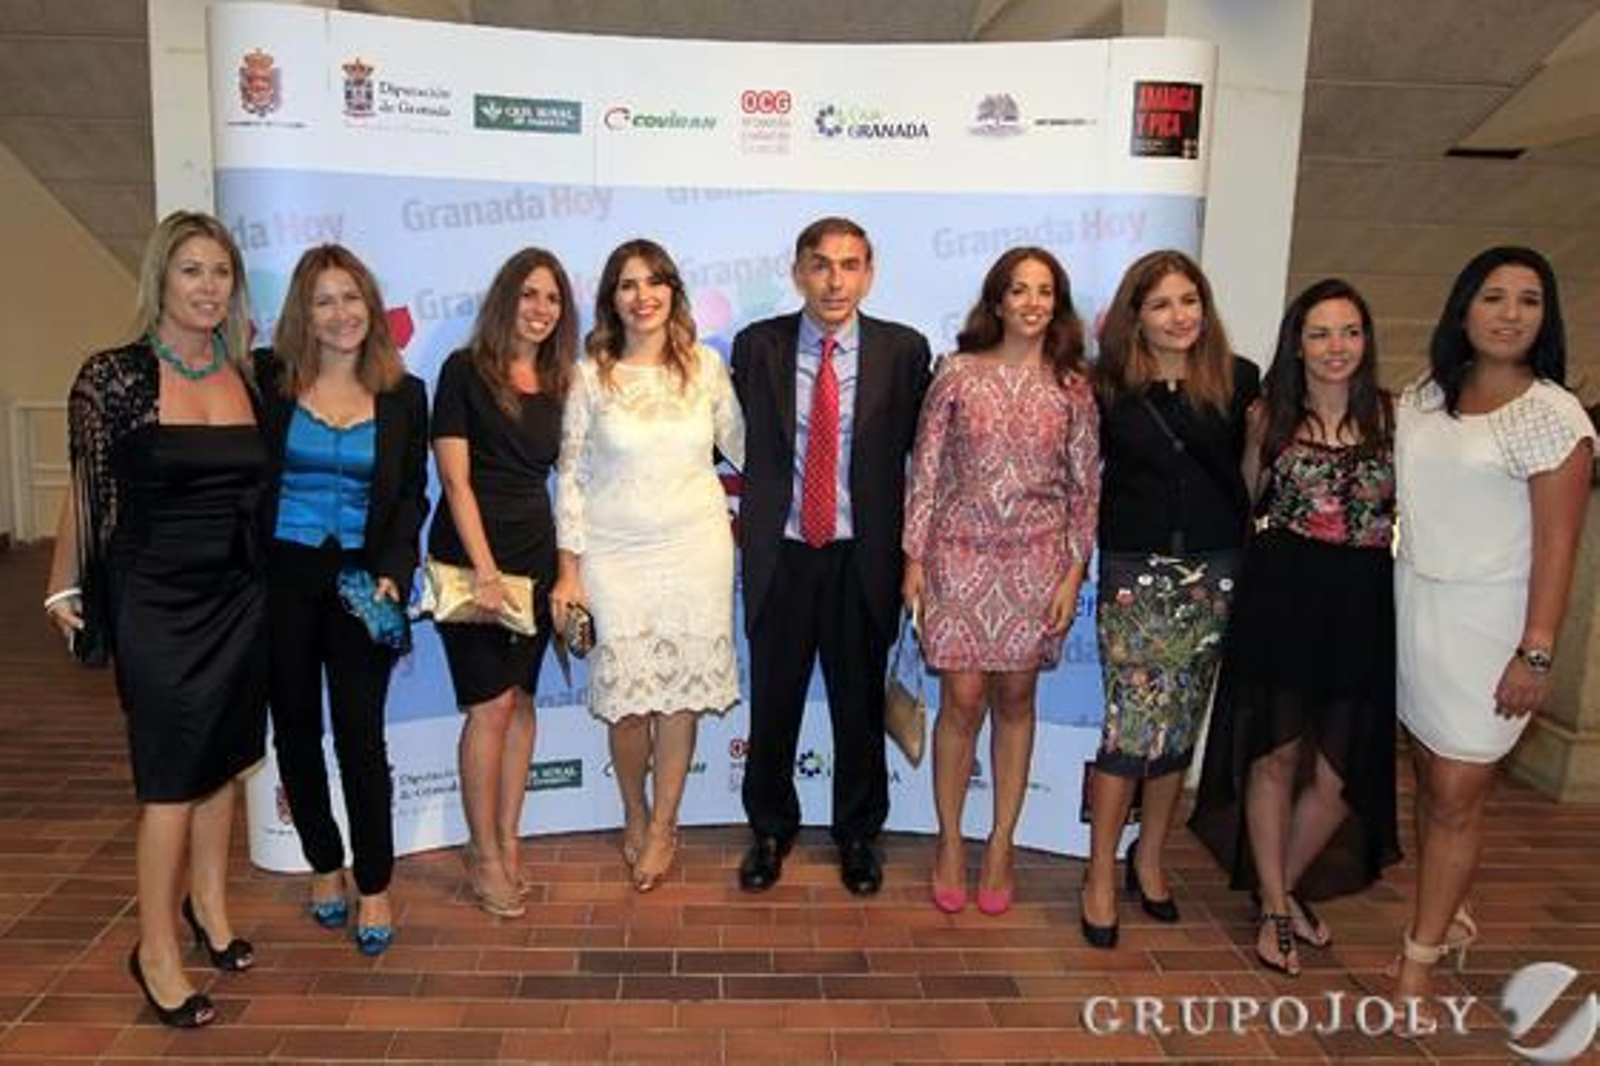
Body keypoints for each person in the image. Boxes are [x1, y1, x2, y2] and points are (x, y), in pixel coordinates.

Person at [44, 211, 267, 1028]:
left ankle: (208, 910)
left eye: (220, 274)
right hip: (155, 600)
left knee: (224, 759)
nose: (208, 288)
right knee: (171, 778)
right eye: (191, 272)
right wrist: (62, 586)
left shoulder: (251, 373)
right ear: (160, 280)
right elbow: (85, 487)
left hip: (239, 598)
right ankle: (155, 952)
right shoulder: (114, 377)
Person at [1391, 247, 1592, 1027]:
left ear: (1547, 318)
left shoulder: (1553, 417)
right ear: (1462, 309)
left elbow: (1559, 546)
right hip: (1416, 607)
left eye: (1530, 300)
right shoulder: (1425, 396)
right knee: (1428, 776)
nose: (1511, 313)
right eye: (1494, 296)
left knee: (1455, 793)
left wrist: (1536, 649)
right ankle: (1454, 912)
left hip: (1493, 623)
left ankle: (1418, 958)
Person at [1188, 279, 1401, 975]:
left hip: (1362, 603)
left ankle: (1281, 882)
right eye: (1320, 333)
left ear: (1365, 342)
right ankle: (1278, 906)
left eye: (1349, 332)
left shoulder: (1396, 420)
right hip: (1279, 598)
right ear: (1297, 343)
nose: (1336, 347)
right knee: (1274, 755)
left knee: (1341, 777)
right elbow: (1247, 503)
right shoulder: (1266, 417)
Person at [733, 216, 933, 896]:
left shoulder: (905, 352)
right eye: (821, 264)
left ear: (869, 272)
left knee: (857, 708)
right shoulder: (755, 347)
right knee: (775, 707)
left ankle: (857, 835)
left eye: (849, 265)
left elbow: (925, 459)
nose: (834, 280)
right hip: (782, 555)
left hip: (862, 557)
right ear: (798, 272)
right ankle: (769, 829)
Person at [901, 247, 1099, 915]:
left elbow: (1085, 489)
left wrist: (1074, 570)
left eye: (1045, 291)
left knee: (1016, 698)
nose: (1033, 303)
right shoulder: (956, 373)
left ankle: (1003, 843)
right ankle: (951, 840)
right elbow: (925, 473)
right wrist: (914, 562)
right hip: (956, 556)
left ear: (1058, 304)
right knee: (961, 699)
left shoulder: (1073, 385)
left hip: (1038, 561)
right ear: (997, 301)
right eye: (1020, 290)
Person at [551, 239, 744, 892]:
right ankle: (632, 810)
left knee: (682, 696)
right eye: (628, 285)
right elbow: (572, 477)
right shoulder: (589, 375)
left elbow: (746, 448)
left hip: (696, 548)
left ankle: (664, 824)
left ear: (673, 292)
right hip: (614, 555)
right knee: (629, 703)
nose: (643, 296)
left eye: (655, 282)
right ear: (612, 299)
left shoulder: (707, 368)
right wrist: (569, 570)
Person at [1081, 249, 1259, 948]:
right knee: (1130, 730)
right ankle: (1099, 871)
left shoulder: (1239, 379)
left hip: (1214, 570)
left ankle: (1148, 857)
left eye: (1189, 301)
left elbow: (1248, 472)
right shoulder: (1105, 387)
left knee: (1181, 725)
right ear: (1136, 316)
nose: (1178, 316)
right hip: (1135, 571)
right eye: (1161, 304)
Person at [258, 245, 429, 955]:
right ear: (304, 311)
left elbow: (412, 494)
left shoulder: (404, 393)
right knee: (295, 732)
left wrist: (393, 568)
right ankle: (325, 865)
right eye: (324, 300)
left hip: (363, 587)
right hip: (280, 583)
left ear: (371, 305)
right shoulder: (266, 381)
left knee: (361, 739)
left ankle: (376, 880)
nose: (341, 314)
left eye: (352, 297)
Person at [428, 248, 577, 918]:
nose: (541, 309)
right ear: (505, 300)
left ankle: (508, 838)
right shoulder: (463, 371)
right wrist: (485, 570)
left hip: (536, 553)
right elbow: (454, 480)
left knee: (520, 701)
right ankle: (483, 853)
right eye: (529, 295)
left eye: (552, 299)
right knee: (487, 706)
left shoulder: (560, 381)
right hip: (470, 558)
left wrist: (563, 572)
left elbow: (567, 480)